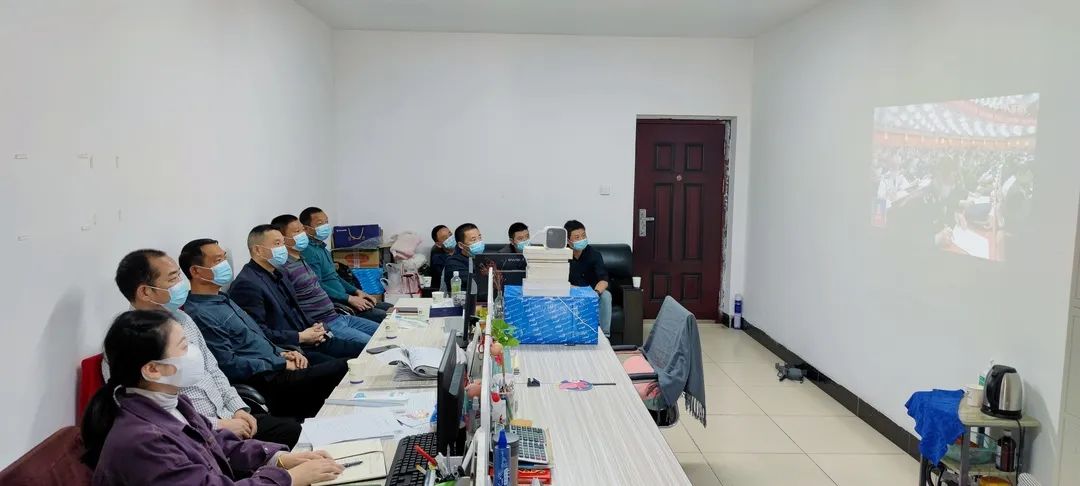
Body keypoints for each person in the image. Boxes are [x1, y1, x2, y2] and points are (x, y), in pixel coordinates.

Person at [81, 310, 344, 485]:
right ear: (152, 369)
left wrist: (277, 459)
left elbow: (219, 444)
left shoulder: (173, 403)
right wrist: (289, 478)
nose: (193, 353)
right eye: (184, 347)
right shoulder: (143, 441)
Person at [111, 249, 302, 447]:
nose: (181, 284)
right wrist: (218, 425)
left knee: (292, 431)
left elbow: (213, 368)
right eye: (173, 279)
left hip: (227, 415)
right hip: (196, 436)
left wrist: (238, 408)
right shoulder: (129, 340)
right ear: (145, 292)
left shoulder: (183, 318)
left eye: (179, 276)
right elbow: (153, 415)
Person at [182, 238, 349, 419]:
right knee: (346, 367)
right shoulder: (200, 314)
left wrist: (283, 352)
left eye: (224, 258)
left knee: (348, 364)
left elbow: (257, 336)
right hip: (267, 378)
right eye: (218, 261)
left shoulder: (221, 298)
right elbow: (229, 364)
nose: (225, 264)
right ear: (196, 271)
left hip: (279, 360)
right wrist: (280, 362)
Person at [230, 225, 364, 359]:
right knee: (349, 363)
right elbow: (257, 332)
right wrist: (301, 337)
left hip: (312, 338)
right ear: (258, 250)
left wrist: (316, 327)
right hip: (292, 350)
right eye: (277, 244)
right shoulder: (247, 284)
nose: (283, 248)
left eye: (283, 243)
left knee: (365, 350)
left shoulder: (279, 272)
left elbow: (296, 310)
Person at [271, 214, 380, 345]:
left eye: (302, 230)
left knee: (384, 333)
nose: (302, 234)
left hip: (338, 316)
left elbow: (331, 279)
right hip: (325, 324)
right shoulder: (284, 268)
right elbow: (291, 306)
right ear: (283, 239)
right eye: (297, 231)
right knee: (372, 344)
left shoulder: (302, 259)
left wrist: (356, 291)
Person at [298, 207, 393, 321]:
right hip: (335, 304)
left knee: (389, 307)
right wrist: (349, 299)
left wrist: (357, 292)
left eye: (326, 222)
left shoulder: (322, 248)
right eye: (320, 223)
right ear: (306, 228)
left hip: (344, 298)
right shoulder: (308, 252)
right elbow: (318, 286)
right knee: (384, 316)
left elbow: (335, 277)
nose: (325, 226)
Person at [564, 220, 611, 337]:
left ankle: (605, 335)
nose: (582, 239)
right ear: (568, 241)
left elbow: (604, 279)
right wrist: (574, 290)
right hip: (571, 291)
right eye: (577, 237)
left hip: (592, 292)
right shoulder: (562, 254)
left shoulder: (594, 254)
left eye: (583, 235)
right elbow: (557, 280)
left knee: (606, 296)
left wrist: (595, 293)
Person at [443, 223, 485, 290]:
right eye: (473, 240)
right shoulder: (453, 263)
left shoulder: (483, 259)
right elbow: (475, 282)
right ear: (461, 245)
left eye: (479, 237)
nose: (479, 242)